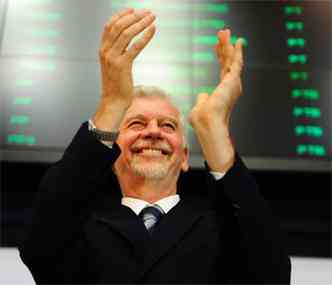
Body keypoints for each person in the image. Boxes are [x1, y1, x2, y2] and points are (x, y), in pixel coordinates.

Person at [19, 8, 291, 284]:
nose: (153, 131)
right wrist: (113, 104)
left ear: (185, 157)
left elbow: (272, 273)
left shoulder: (223, 228)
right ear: (111, 156)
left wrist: (216, 133)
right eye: (136, 123)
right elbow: (40, 241)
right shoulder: (77, 228)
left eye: (168, 125)